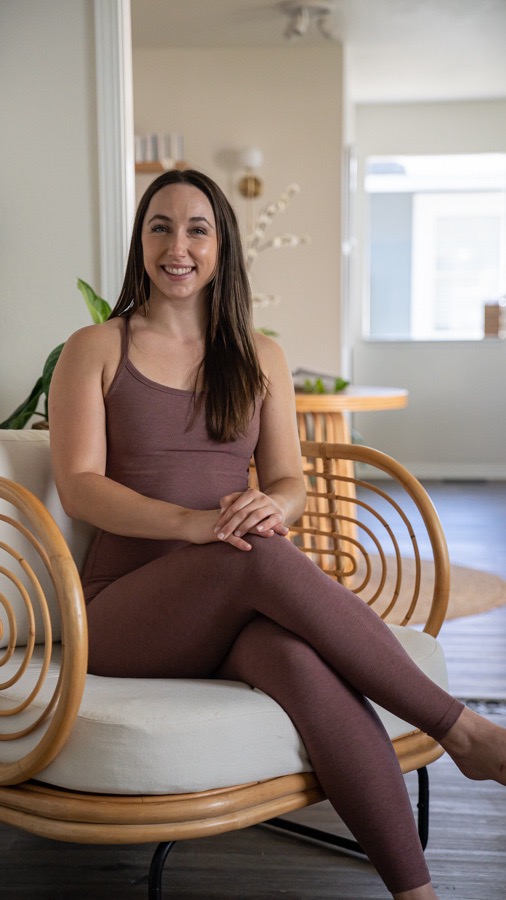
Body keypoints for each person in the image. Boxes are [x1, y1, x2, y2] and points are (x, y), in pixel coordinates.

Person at [49, 168, 506, 900]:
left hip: (231, 606)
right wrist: (197, 525)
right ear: (140, 242)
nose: (177, 246)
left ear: (222, 247)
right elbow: (79, 486)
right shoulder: (96, 347)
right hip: (123, 613)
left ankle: (417, 895)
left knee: (301, 665)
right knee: (252, 554)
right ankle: (464, 733)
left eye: (197, 229)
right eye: (160, 227)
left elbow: (291, 481)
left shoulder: (260, 356)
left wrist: (272, 507)